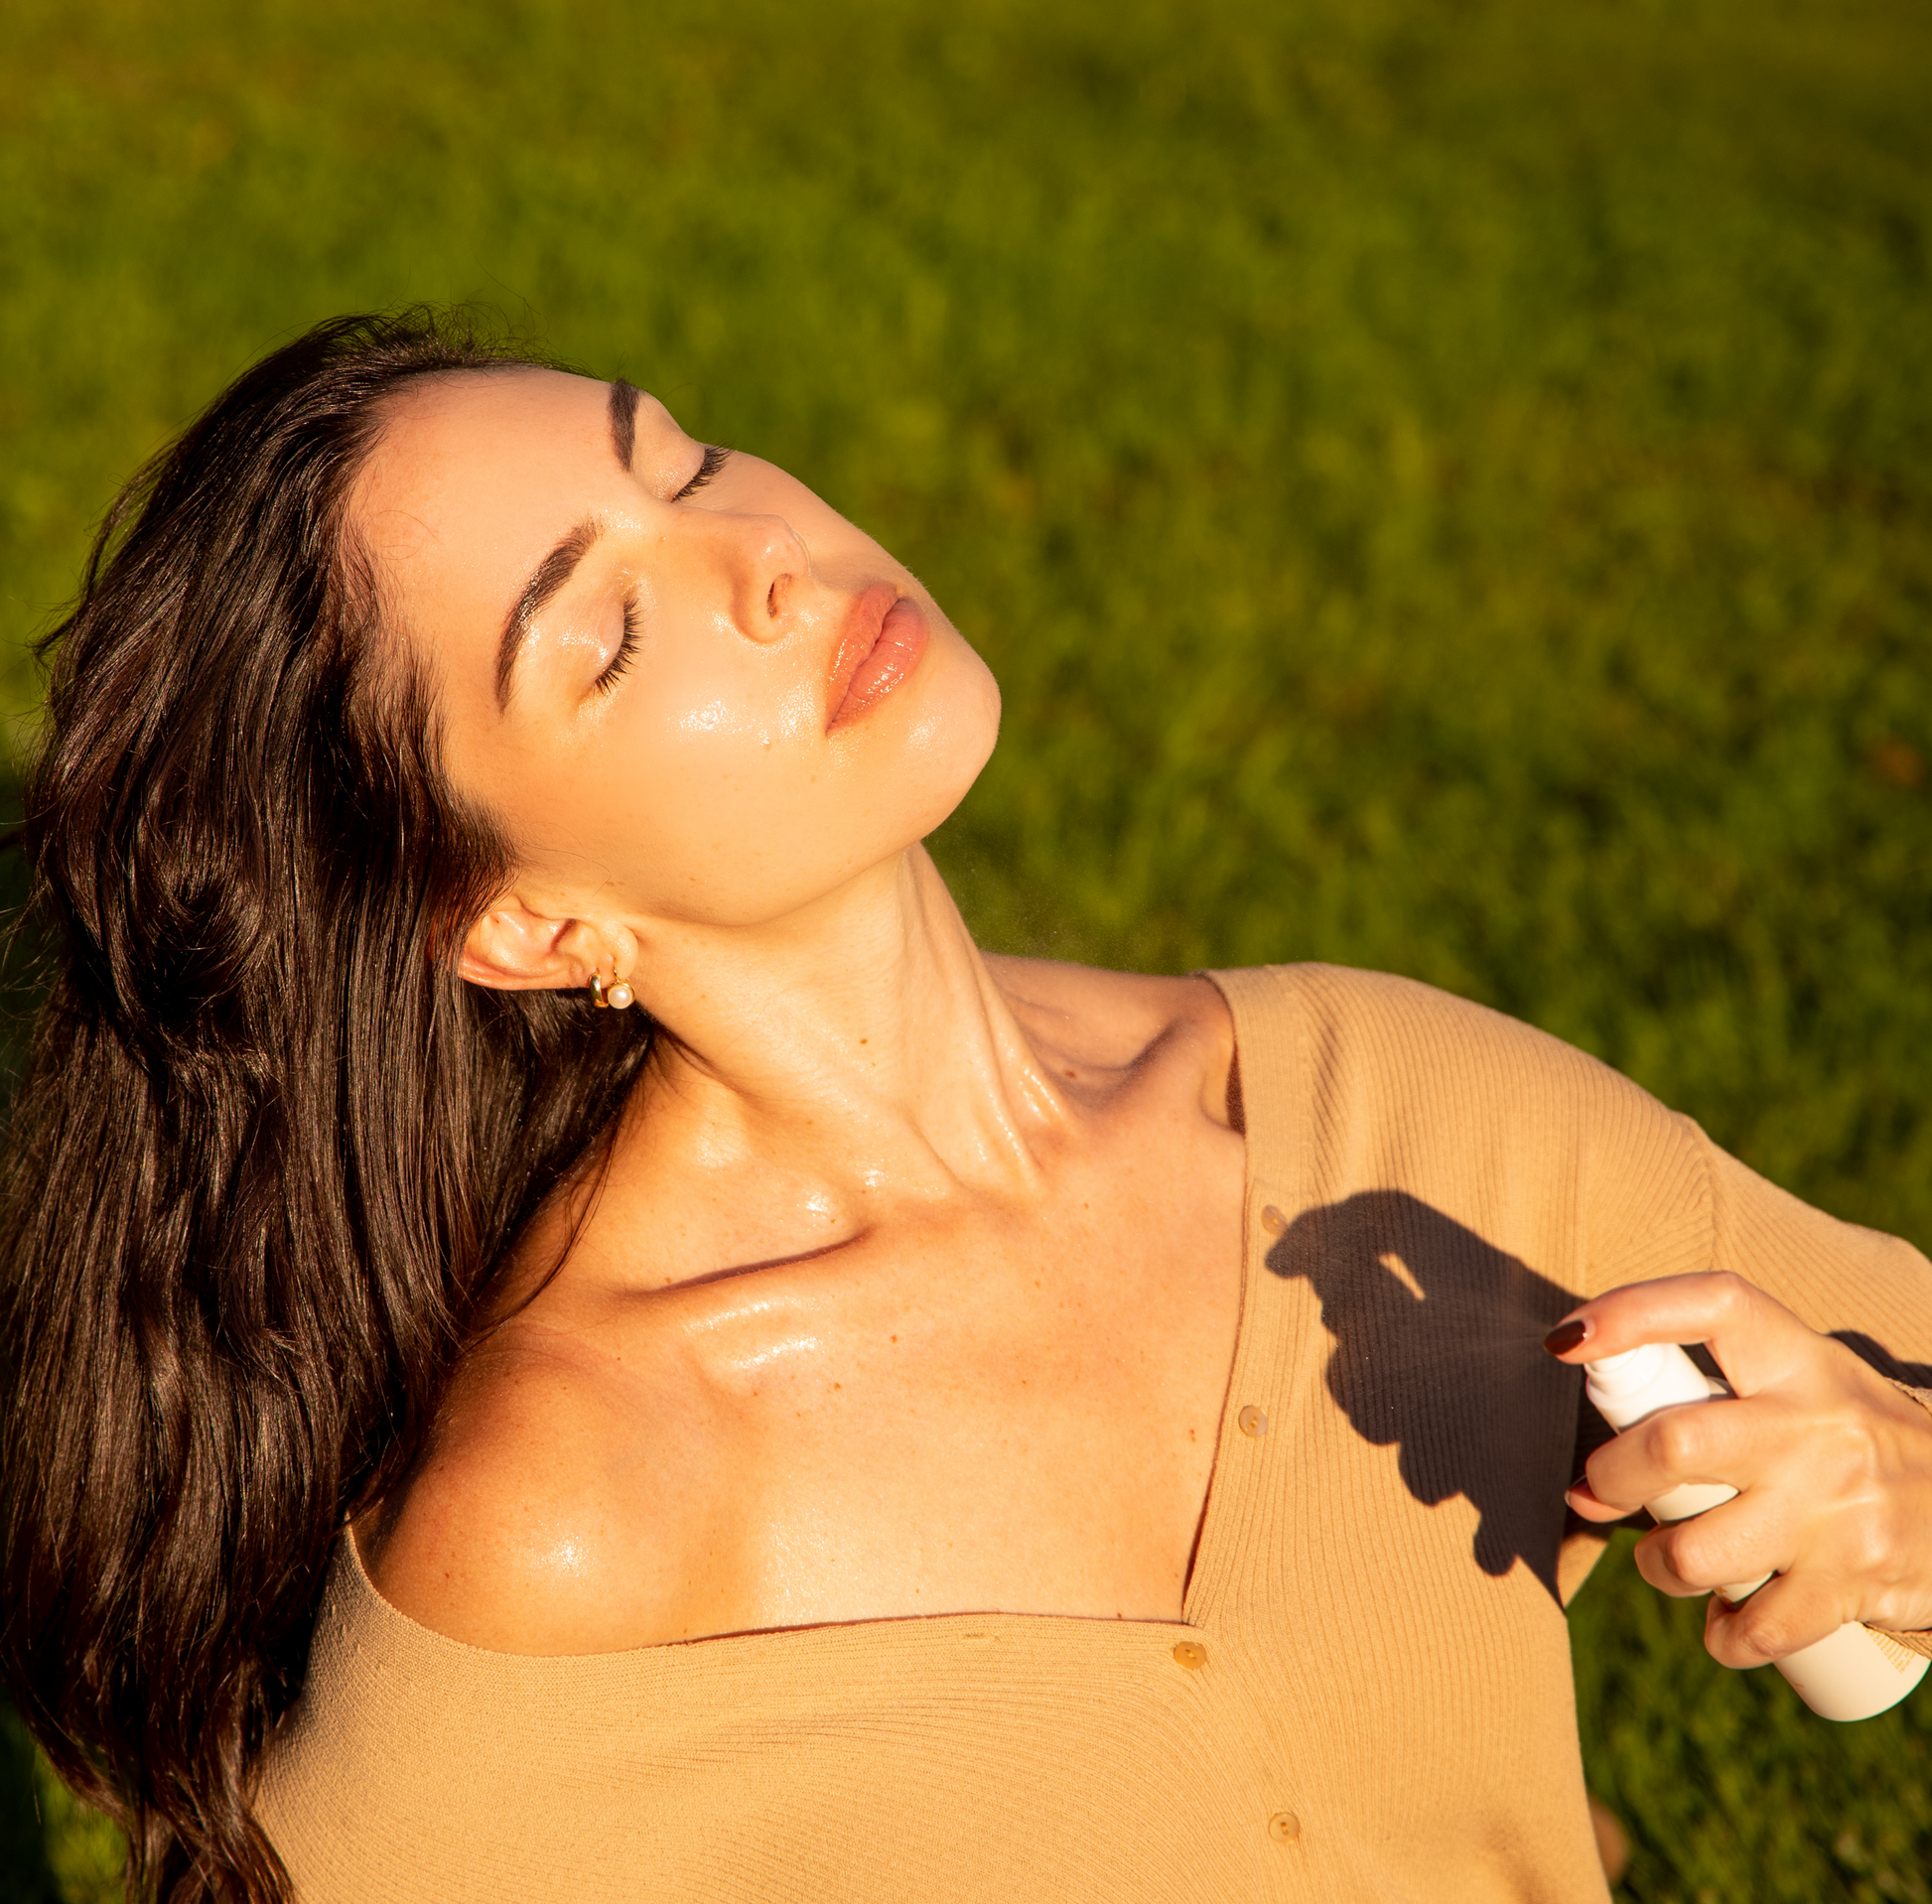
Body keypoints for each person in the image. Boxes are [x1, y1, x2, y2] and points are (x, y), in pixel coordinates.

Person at [4, 310, 1932, 1904]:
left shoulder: (1393, 1120)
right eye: (606, 632)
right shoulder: (580, 1522)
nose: (767, 557)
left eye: (680, 462)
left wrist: (1897, 1474)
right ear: (522, 919)